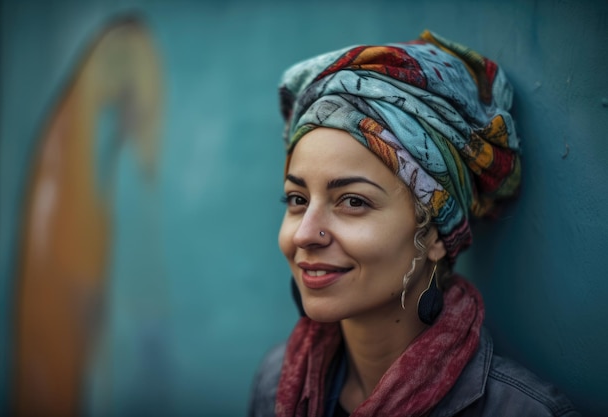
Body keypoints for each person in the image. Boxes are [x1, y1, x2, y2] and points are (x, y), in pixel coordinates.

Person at [248, 30, 579, 417]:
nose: (305, 233)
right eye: (297, 200)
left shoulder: (521, 412)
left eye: (353, 201)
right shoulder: (277, 382)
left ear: (436, 231)